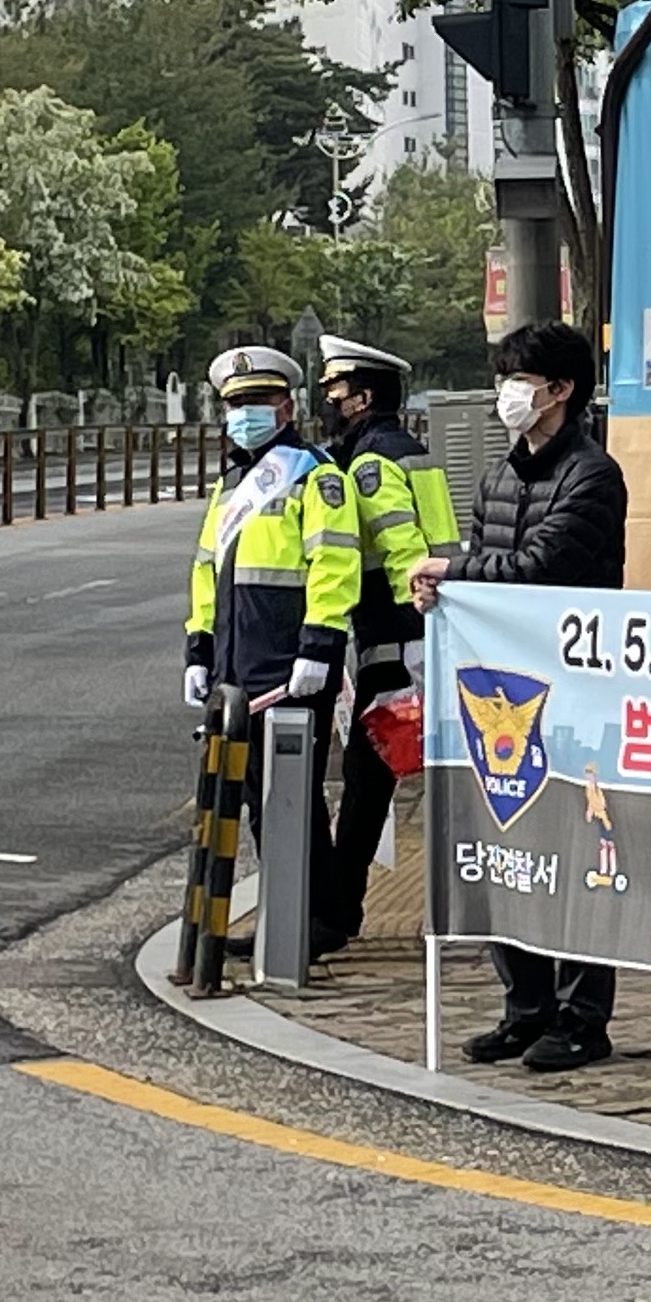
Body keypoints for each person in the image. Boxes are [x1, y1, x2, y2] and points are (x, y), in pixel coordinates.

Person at [412, 319, 629, 1072]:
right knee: (506, 851)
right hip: (499, 695)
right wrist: (445, 583)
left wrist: (454, 573)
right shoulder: (500, 475)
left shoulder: (593, 476)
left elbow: (542, 569)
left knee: (576, 856)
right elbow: (479, 559)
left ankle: (580, 1019)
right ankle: (525, 1007)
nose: (509, 394)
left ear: (559, 390)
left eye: (520, 380)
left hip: (573, 697)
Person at [184, 346, 365, 913]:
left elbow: (334, 566)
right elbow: (206, 573)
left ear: (286, 407)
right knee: (254, 804)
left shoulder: (315, 476)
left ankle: (305, 926)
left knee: (292, 804)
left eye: (258, 401)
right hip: (235, 673)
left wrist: (319, 647)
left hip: (290, 671)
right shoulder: (230, 485)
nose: (245, 413)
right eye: (236, 403)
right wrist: (198, 649)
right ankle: (290, 920)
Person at [305, 334, 456, 964]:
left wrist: (407, 643)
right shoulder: (410, 451)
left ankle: (336, 916)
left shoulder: (369, 464)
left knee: (368, 786)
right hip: (428, 634)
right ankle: (339, 910)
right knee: (385, 784)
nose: (329, 404)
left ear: (362, 398)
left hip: (397, 642)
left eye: (336, 394)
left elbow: (403, 551)